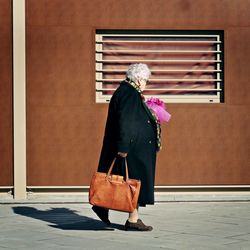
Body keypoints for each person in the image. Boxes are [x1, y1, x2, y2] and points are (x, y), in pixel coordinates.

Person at [92, 63, 161, 231]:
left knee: (131, 183)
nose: (146, 83)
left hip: (134, 148)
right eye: (146, 80)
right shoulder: (129, 93)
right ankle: (111, 209)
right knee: (131, 182)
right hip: (132, 150)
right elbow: (126, 121)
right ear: (138, 78)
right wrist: (123, 147)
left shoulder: (128, 92)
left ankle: (131, 218)